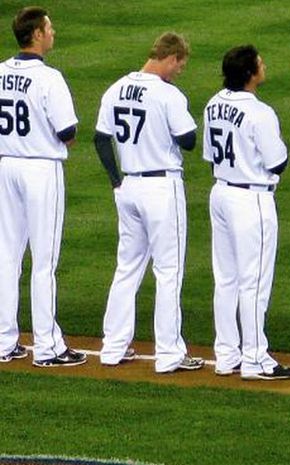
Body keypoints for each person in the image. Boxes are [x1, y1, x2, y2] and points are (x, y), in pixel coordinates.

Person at [94, 32, 203, 373]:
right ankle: (169, 354)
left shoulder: (115, 88)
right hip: (160, 188)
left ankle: (112, 347)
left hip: (127, 187)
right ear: (170, 58)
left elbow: (100, 139)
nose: (179, 72)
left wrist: (116, 180)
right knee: (168, 271)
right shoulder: (167, 94)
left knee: (127, 267)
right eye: (180, 66)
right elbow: (189, 141)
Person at [204, 45, 290, 381]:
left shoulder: (214, 104)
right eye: (260, 62)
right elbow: (278, 163)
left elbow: (209, 155)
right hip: (251, 200)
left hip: (221, 193)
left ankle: (227, 355)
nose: (264, 64)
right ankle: (255, 359)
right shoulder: (260, 112)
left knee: (226, 279)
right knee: (254, 283)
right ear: (250, 73)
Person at [0, 7, 85, 367]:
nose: (53, 32)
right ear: (36, 34)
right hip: (40, 169)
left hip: (5, 166)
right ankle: (48, 347)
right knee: (44, 262)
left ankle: (3, 341)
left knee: (6, 256)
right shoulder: (49, 78)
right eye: (49, 27)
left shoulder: (0, 71)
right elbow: (67, 132)